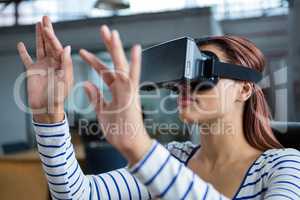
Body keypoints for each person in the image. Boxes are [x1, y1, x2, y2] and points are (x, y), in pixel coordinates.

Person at [17, 16, 300, 200]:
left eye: (201, 74)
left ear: (245, 88)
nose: (184, 89)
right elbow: (77, 195)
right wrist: (49, 113)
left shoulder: (283, 165)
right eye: (180, 82)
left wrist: (141, 148)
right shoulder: (174, 158)